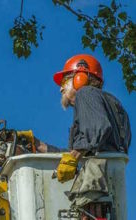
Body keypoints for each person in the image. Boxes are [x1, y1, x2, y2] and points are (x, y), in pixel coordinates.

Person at [28, 54, 131, 219]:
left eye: (64, 82)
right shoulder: (111, 105)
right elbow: (92, 146)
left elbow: (98, 128)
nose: (61, 89)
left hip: (95, 185)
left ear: (80, 78)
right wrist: (40, 146)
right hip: (107, 184)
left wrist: (73, 157)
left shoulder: (86, 93)